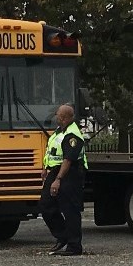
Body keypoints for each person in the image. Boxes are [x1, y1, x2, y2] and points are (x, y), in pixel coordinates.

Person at [40, 103, 89, 256]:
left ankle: (74, 246)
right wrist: (45, 167)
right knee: (45, 206)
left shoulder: (73, 135)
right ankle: (63, 236)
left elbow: (68, 160)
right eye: (58, 116)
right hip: (55, 171)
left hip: (70, 173)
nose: (58, 119)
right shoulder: (59, 131)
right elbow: (52, 150)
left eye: (60, 117)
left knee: (70, 210)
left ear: (68, 118)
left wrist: (58, 179)